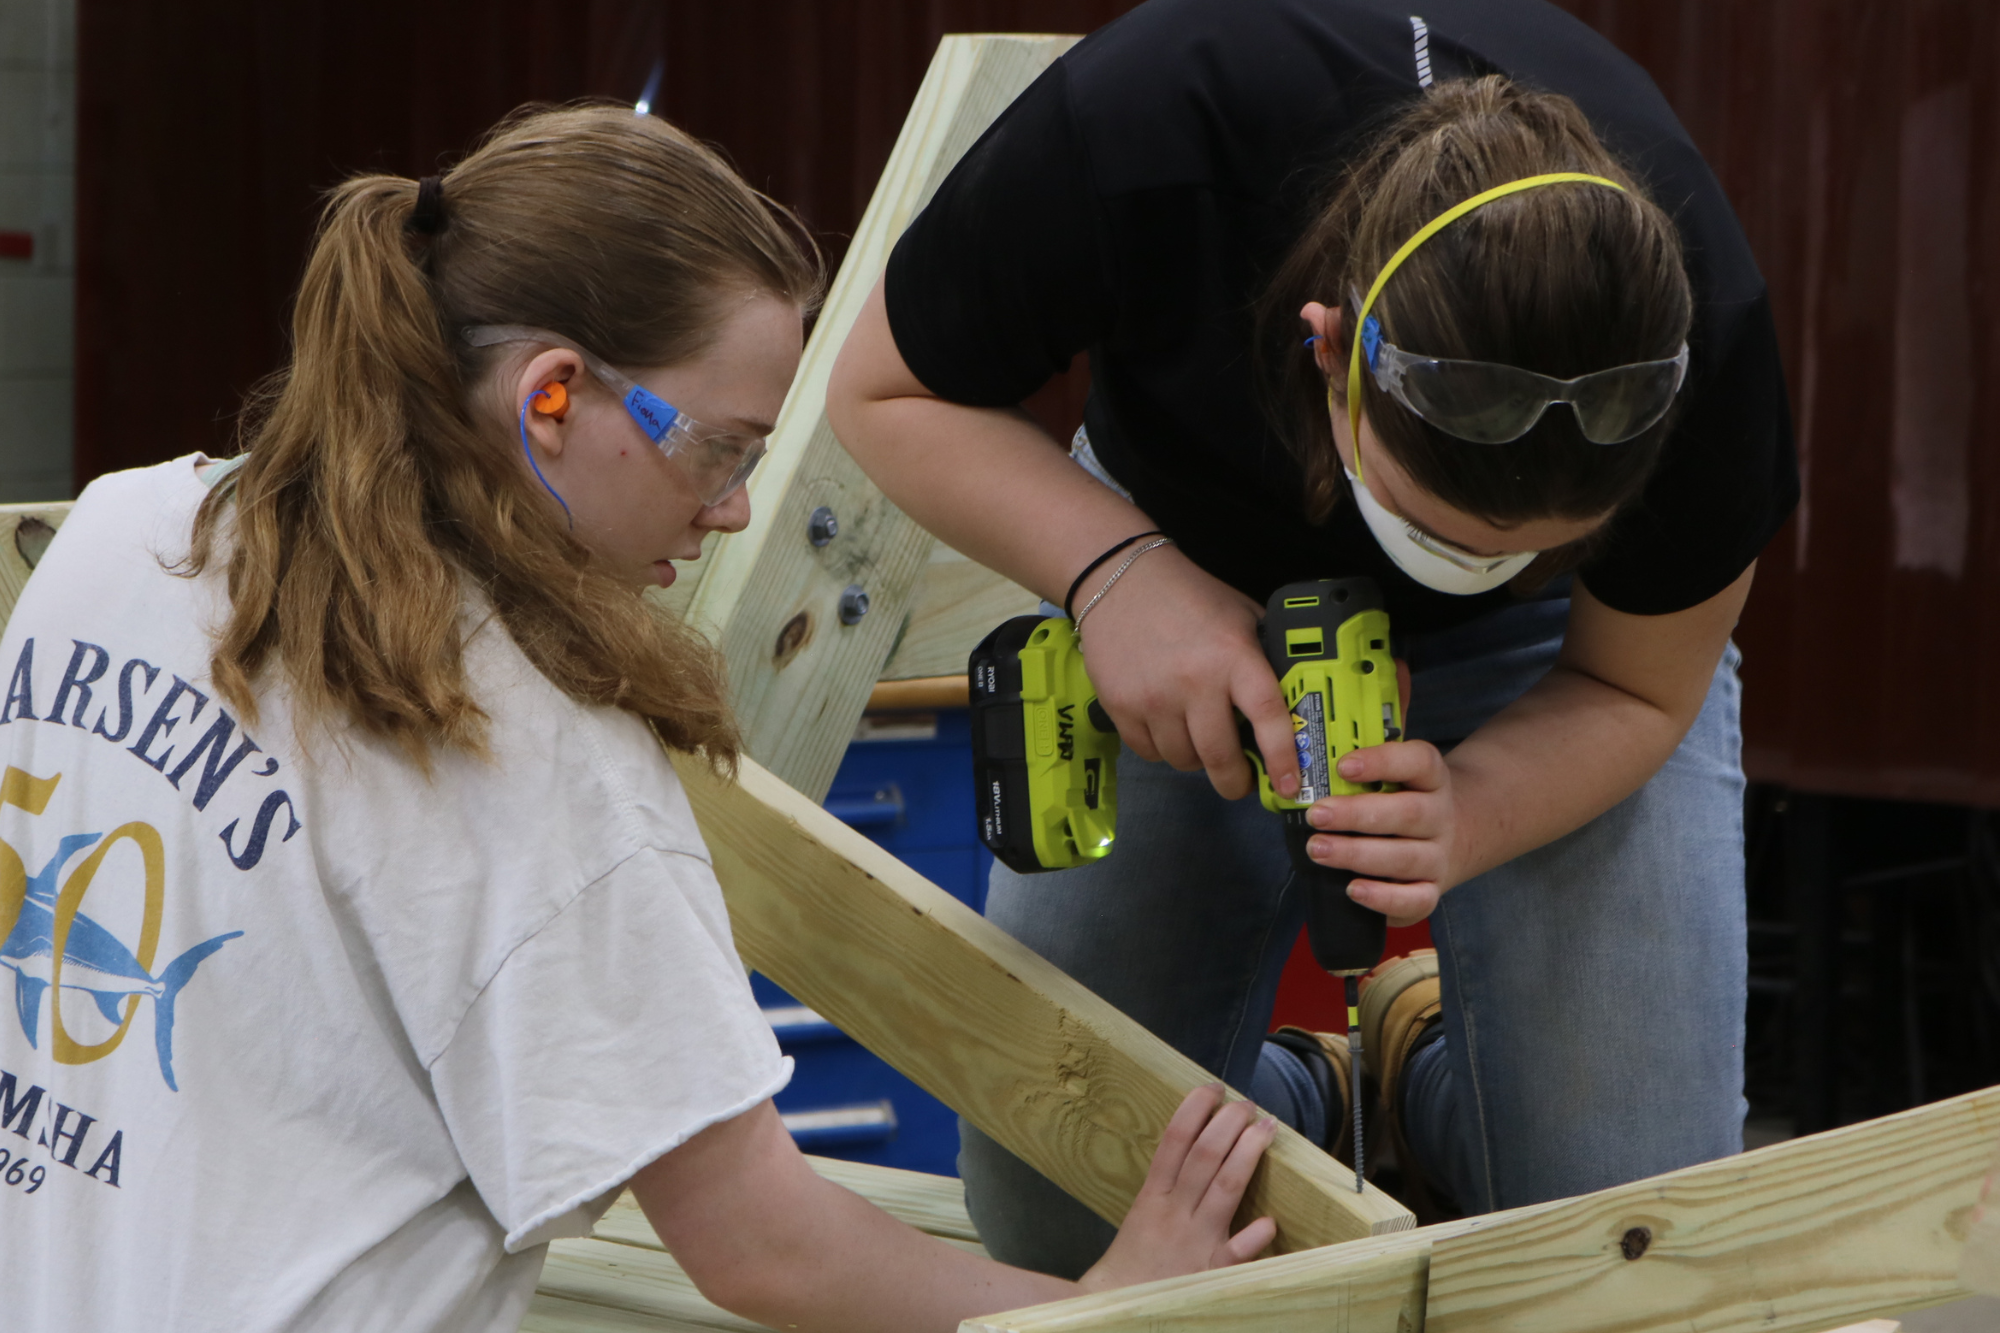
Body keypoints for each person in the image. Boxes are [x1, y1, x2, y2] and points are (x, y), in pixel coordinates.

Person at [0, 105, 1280, 1332]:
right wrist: (1107, 1306)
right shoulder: (531, 747)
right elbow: (758, 1242)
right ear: (551, 396)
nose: (730, 510)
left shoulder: (118, 534)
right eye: (720, 450)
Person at [827, 0, 1794, 1275]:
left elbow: (1633, 685)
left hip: (1545, 673)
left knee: (1626, 1242)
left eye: (1534, 544)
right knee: (1070, 1212)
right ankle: (1307, 1101)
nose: (1475, 561)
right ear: (1329, 352)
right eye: (1439, 528)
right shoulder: (1152, 120)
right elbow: (880, 387)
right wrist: (1115, 572)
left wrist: (1477, 810)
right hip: (1181, 576)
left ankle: (1423, 1070)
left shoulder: (1698, 334)